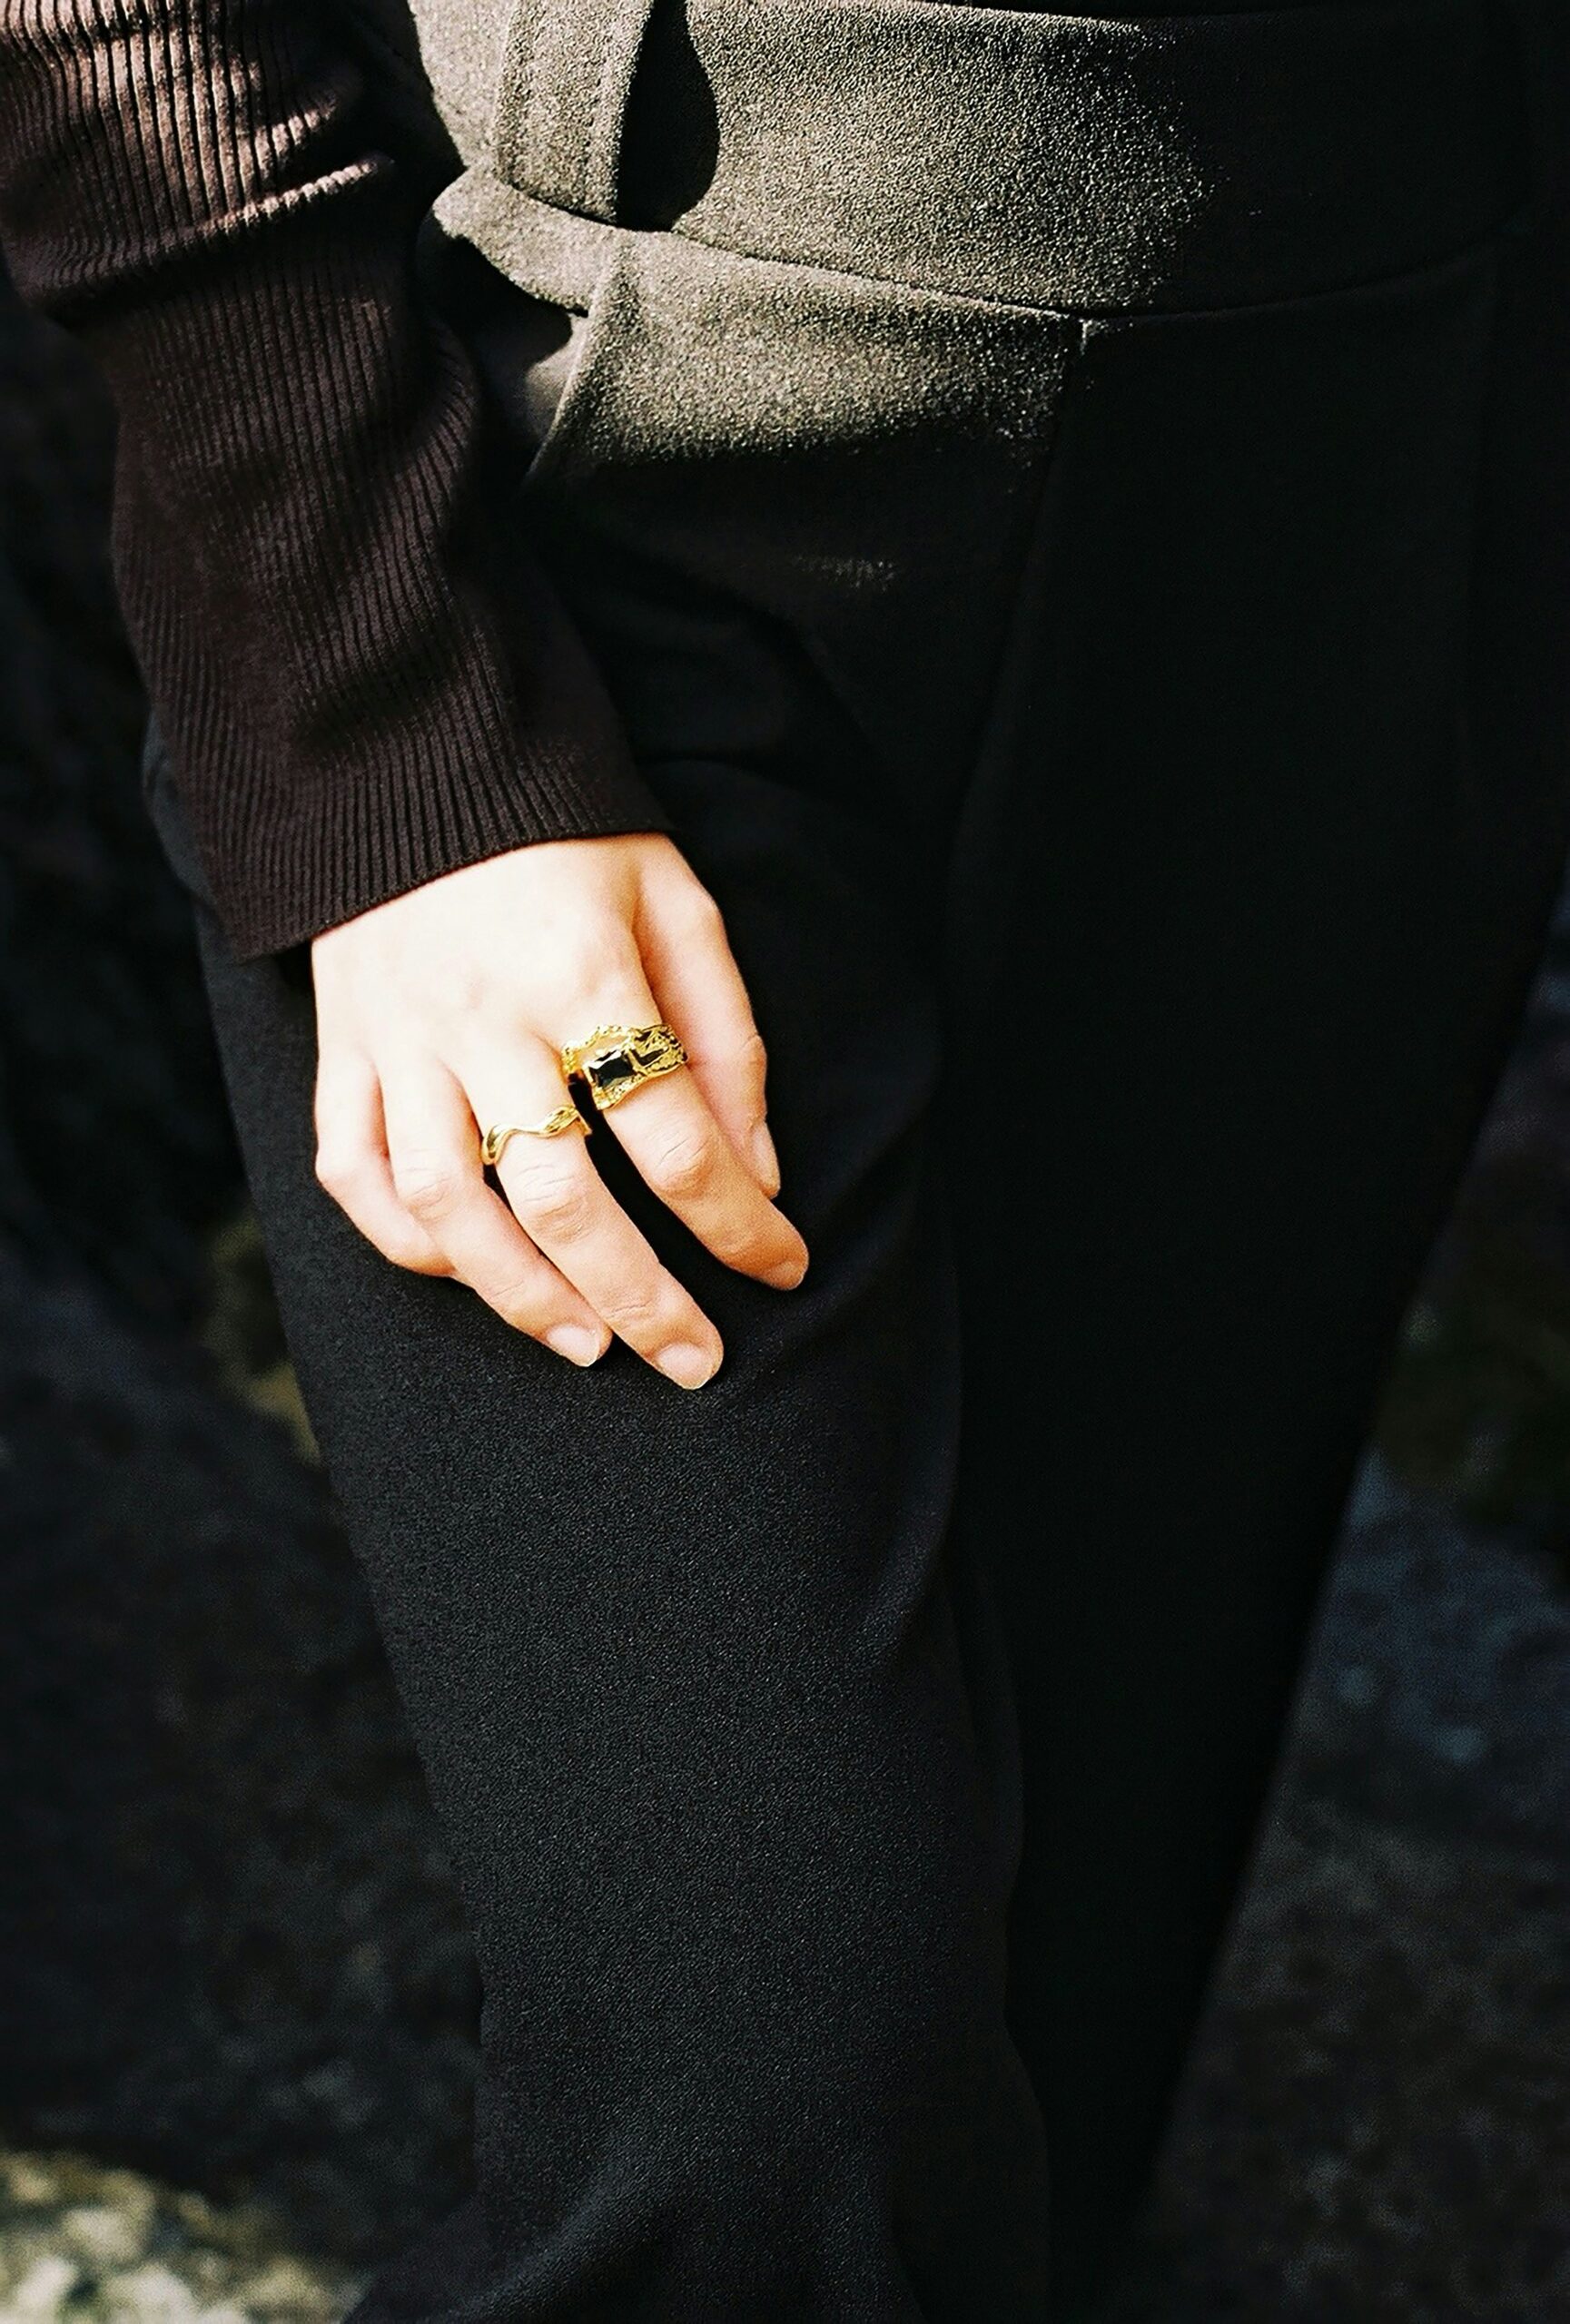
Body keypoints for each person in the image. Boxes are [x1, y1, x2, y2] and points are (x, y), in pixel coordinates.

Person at [3, 0, 1567, 2315]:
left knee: (1047, 2054)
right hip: (603, 516)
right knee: (774, 2107)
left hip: (1384, 441)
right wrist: (373, 696)